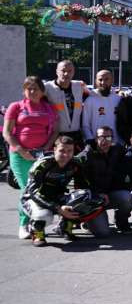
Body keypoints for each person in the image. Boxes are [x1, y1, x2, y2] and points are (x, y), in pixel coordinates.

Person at [4, 76, 57, 237]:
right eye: (29, 88)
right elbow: (7, 132)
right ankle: (23, 225)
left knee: (39, 190)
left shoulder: (49, 108)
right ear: (24, 91)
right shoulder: (16, 107)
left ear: (42, 91)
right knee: (27, 190)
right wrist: (21, 151)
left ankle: (36, 223)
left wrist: (45, 148)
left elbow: (55, 131)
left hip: (42, 155)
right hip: (20, 155)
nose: (32, 91)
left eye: (36, 88)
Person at [78, 125, 132, 233]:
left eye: (108, 137)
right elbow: (81, 182)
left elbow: (131, 152)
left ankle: (121, 221)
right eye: (101, 137)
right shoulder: (86, 156)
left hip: (109, 195)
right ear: (96, 139)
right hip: (93, 197)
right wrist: (98, 193)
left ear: (112, 139)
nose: (105, 140)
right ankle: (86, 220)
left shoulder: (116, 150)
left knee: (127, 197)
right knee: (103, 233)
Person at [44, 60, 88, 147]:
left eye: (69, 71)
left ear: (73, 72)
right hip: (56, 136)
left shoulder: (79, 86)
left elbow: (94, 96)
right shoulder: (47, 87)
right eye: (63, 71)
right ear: (57, 71)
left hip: (76, 135)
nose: (66, 74)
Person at [82, 69, 121, 145]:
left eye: (106, 79)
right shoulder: (90, 100)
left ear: (112, 81)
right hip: (97, 144)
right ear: (96, 81)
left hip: (116, 144)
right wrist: (91, 140)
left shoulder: (118, 99)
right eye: (100, 80)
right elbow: (85, 125)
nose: (103, 82)